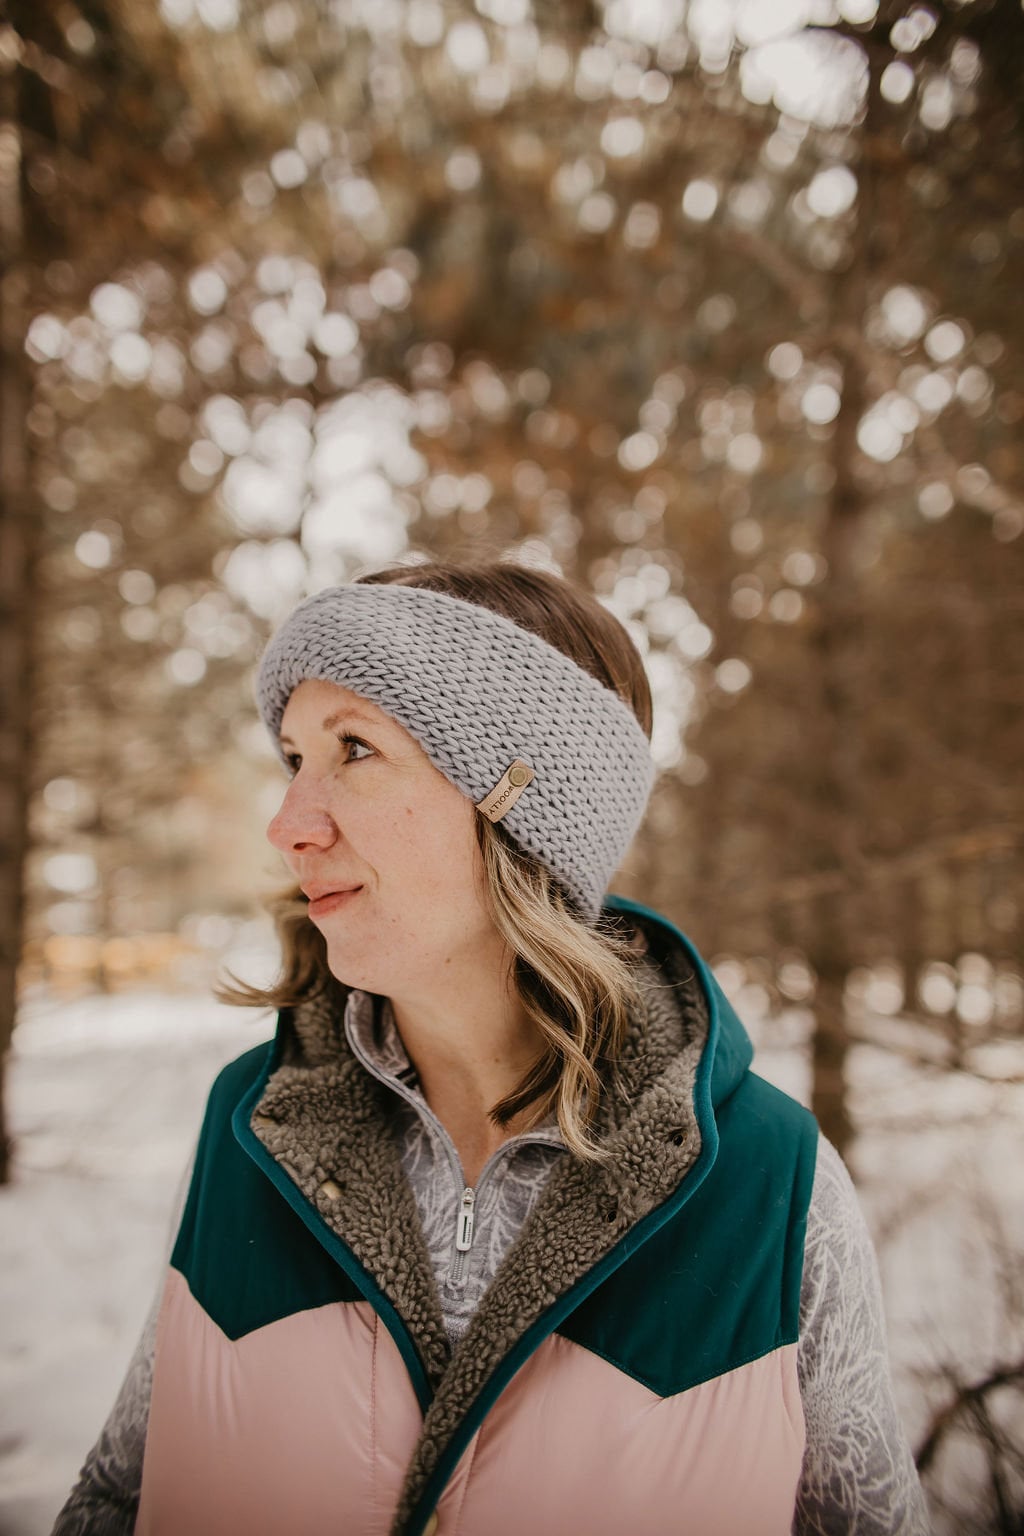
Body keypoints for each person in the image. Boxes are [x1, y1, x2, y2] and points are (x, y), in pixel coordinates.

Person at [52, 558, 931, 1536]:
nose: (289, 823)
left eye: (354, 749)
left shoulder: (771, 1190)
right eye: (295, 759)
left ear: (521, 802)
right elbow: (112, 1501)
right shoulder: (249, 1129)